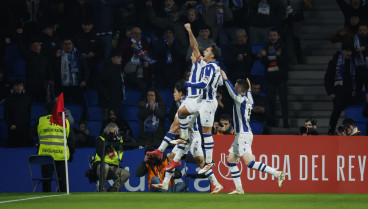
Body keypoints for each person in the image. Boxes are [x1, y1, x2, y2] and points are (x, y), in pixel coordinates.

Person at [147, 80, 224, 194]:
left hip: (194, 136)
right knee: (172, 157)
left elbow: (179, 125)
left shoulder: (187, 105)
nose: (173, 94)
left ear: (181, 93)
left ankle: (216, 184)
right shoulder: (182, 105)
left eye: (175, 92)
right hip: (186, 137)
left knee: (200, 162)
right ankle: (165, 183)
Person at [220, 70, 285, 194]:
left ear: (239, 89)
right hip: (241, 135)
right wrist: (248, 87)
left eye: (235, 86)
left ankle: (277, 173)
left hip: (243, 135)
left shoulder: (240, 99)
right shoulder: (249, 99)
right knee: (231, 160)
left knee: (249, 163)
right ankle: (239, 189)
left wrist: (225, 78)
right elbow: (248, 92)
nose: (234, 87)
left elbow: (232, 93)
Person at [176, 23, 223, 175]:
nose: (205, 51)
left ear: (212, 55)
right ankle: (183, 137)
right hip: (201, 102)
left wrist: (188, 83)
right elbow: (194, 45)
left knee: (207, 132)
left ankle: (209, 162)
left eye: (208, 50)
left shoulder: (209, 66)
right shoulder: (209, 66)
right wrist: (190, 31)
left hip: (207, 102)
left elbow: (204, 84)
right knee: (182, 112)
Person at [33, 101, 76, 192]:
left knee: (46, 181)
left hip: (45, 155)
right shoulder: (65, 121)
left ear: (46, 110)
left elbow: (32, 132)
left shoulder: (40, 120)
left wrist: (38, 142)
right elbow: (71, 140)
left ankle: (46, 200)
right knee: (62, 182)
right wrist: (71, 153)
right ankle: (63, 200)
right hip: (61, 155)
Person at [258, 28, 289, 128]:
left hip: (281, 78)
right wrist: (264, 56)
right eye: (271, 35)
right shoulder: (266, 46)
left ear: (278, 36)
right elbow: (264, 63)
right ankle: (272, 121)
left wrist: (278, 56)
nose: (272, 37)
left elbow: (286, 61)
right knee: (271, 101)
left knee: (283, 101)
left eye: (274, 35)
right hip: (270, 78)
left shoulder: (284, 46)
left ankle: (285, 122)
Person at [325, 44, 357, 135]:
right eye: (346, 50)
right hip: (339, 91)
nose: (348, 53)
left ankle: (350, 131)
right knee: (336, 111)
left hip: (351, 92)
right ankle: (331, 130)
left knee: (350, 112)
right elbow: (328, 77)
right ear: (342, 51)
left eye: (349, 51)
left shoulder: (354, 61)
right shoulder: (335, 62)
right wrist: (330, 91)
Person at [55, 38, 89, 121]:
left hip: (76, 84)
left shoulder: (78, 55)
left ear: (72, 45)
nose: (68, 46)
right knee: (58, 104)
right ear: (62, 46)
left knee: (83, 104)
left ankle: (83, 121)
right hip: (63, 85)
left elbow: (86, 69)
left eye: (69, 44)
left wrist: (84, 80)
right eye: (65, 44)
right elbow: (54, 70)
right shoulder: (59, 56)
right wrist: (56, 58)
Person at [92, 122, 130, 192]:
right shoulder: (101, 139)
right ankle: (102, 189)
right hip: (100, 167)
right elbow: (100, 153)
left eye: (116, 132)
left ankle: (113, 190)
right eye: (112, 132)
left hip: (113, 168)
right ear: (107, 132)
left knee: (126, 173)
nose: (114, 134)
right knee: (105, 166)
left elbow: (131, 145)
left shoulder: (119, 141)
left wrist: (127, 138)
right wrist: (108, 140)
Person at [4, 79, 32, 147]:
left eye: (21, 85)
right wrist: (10, 125)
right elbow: (6, 115)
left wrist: (23, 126)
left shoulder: (28, 99)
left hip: (24, 131)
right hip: (13, 131)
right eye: (17, 85)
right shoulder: (8, 100)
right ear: (13, 87)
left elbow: (28, 115)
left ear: (23, 87)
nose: (19, 87)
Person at [97, 50, 125, 117]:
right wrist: (106, 95)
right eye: (118, 57)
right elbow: (98, 83)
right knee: (106, 124)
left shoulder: (118, 69)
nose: (120, 59)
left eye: (121, 57)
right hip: (107, 103)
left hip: (116, 102)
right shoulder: (106, 69)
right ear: (112, 58)